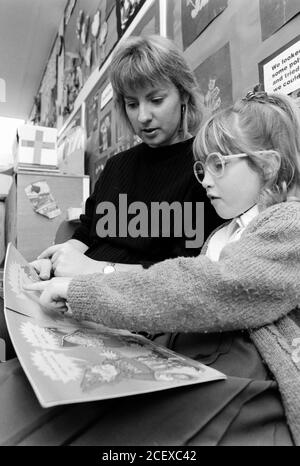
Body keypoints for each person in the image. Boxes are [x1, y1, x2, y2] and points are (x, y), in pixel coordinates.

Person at [26, 91, 300, 445]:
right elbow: (180, 292)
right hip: (201, 362)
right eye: (201, 169)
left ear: (268, 165)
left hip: (252, 381)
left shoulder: (289, 224)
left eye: (218, 164)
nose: (205, 180)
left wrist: (89, 289)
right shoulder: (222, 233)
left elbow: (210, 288)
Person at [31, 34, 221, 280]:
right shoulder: (116, 166)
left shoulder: (204, 168)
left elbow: (190, 274)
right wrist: (60, 257)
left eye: (156, 100)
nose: (143, 116)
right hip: (74, 292)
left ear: (183, 95)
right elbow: (88, 232)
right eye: (132, 104)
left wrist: (98, 270)